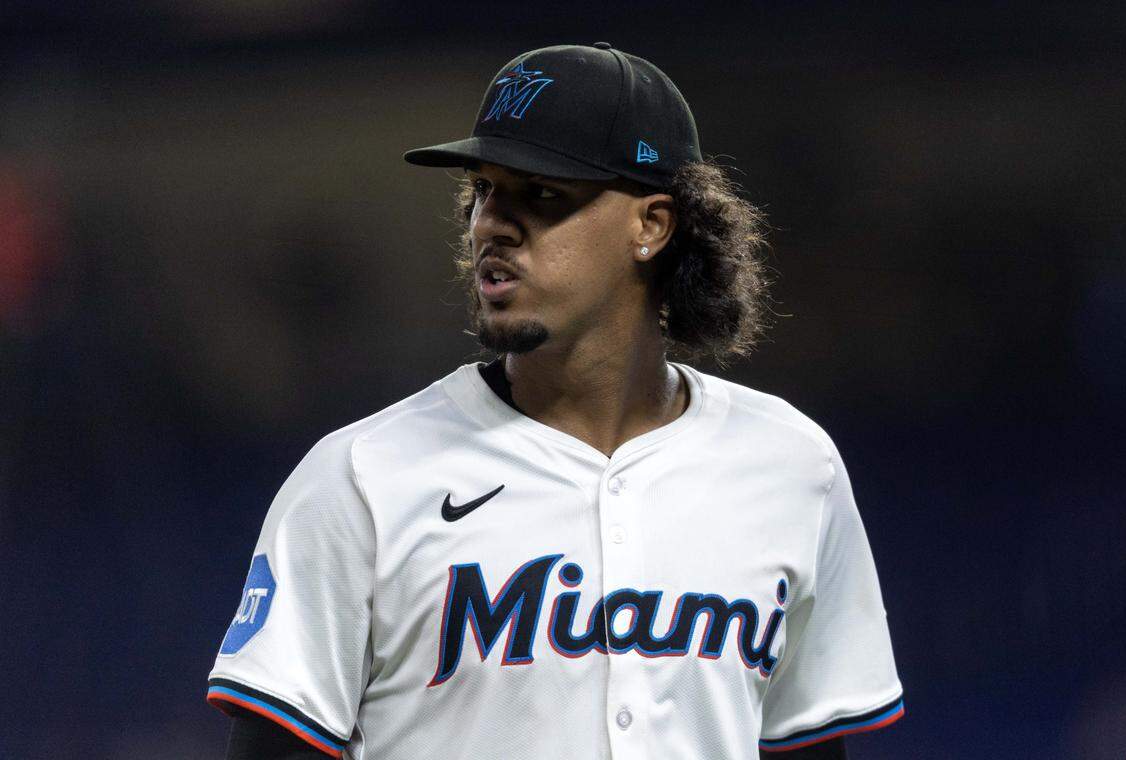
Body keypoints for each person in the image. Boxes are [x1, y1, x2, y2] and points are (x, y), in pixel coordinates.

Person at [206, 42, 904, 760]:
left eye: (542, 194)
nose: (490, 224)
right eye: (483, 190)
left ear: (652, 225)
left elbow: (807, 747)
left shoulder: (791, 467)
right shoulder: (361, 477)